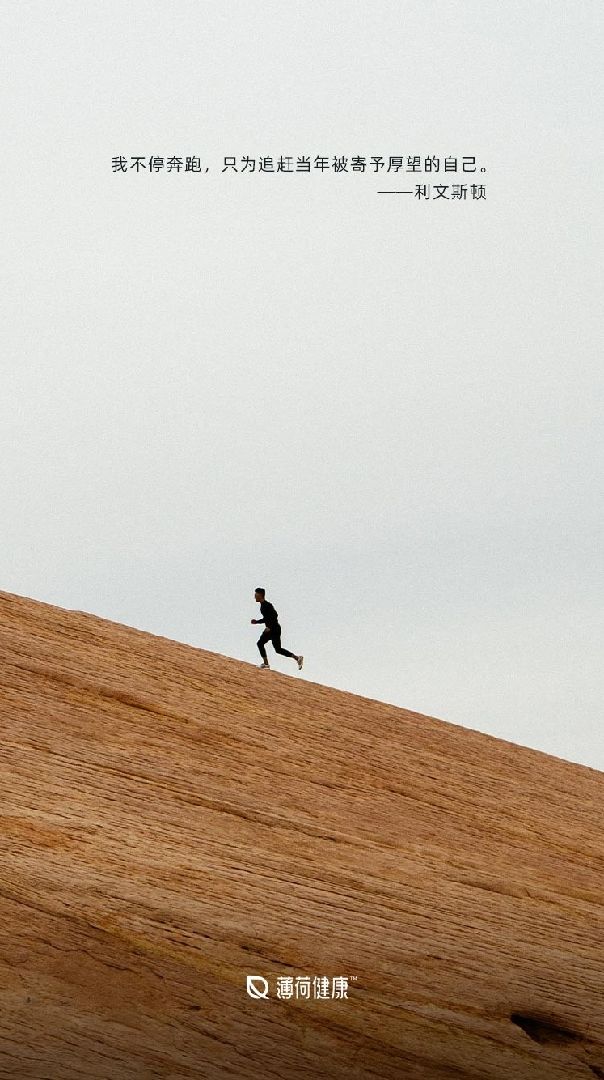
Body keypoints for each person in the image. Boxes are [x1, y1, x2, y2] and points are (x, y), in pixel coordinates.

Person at [251, 588, 303, 671]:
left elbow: (275, 615)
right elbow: (266, 618)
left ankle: (266, 664)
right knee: (278, 649)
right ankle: (297, 658)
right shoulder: (262, 606)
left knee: (260, 643)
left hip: (274, 629)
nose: (254, 597)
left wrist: (270, 627)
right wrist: (257, 622)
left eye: (256, 595)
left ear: (260, 595)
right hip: (273, 629)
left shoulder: (267, 605)